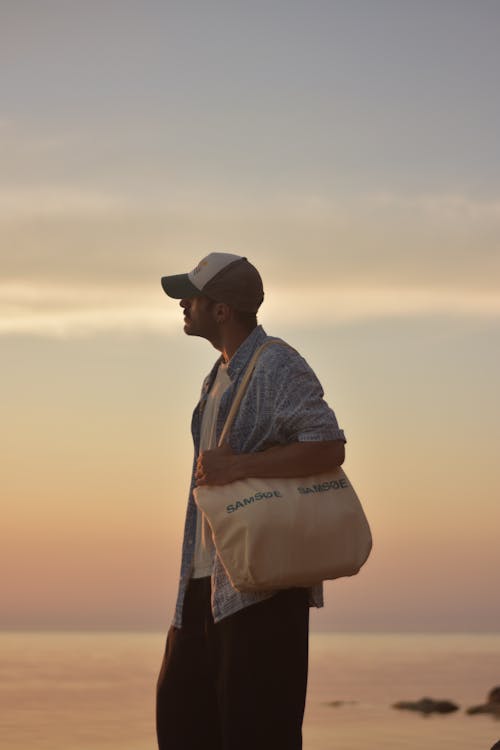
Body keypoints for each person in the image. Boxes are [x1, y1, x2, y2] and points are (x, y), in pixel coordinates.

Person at [156, 252, 346, 750]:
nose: (182, 305)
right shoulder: (216, 376)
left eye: (190, 296)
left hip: (260, 587)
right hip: (201, 585)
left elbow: (328, 445)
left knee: (258, 732)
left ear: (222, 309)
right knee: (182, 722)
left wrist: (239, 465)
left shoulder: (276, 362)